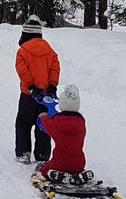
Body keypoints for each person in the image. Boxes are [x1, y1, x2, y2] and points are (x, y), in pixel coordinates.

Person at [14, 15, 59, 165]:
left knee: (23, 123)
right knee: (44, 125)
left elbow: (22, 70)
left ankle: (23, 153)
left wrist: (31, 86)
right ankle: (42, 155)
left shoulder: (22, 51)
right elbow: (55, 68)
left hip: (28, 95)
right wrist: (52, 86)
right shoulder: (50, 51)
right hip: (46, 96)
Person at [37, 84, 85, 175]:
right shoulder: (81, 123)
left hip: (60, 163)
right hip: (79, 164)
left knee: (44, 169)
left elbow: (47, 125)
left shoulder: (56, 123)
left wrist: (43, 117)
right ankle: (79, 175)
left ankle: (56, 175)